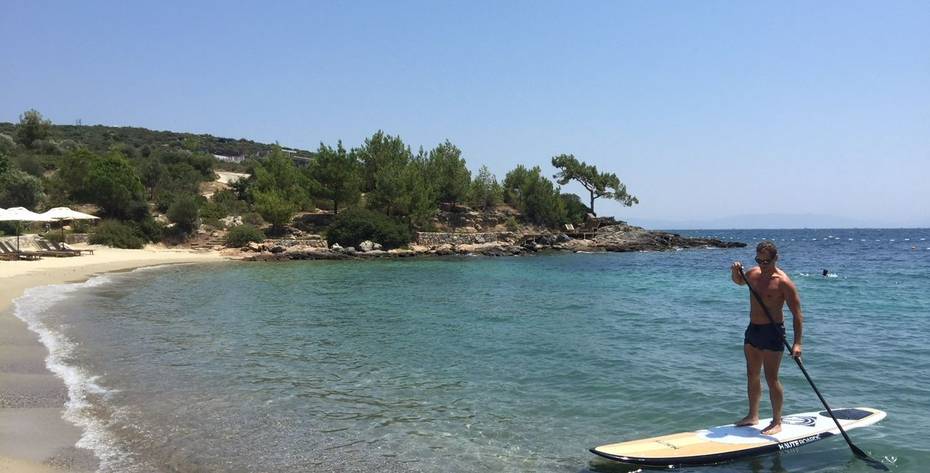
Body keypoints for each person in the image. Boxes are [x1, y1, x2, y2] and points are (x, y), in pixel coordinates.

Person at [730, 241, 803, 435]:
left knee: (772, 378)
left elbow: (797, 315)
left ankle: (777, 421)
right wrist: (735, 272)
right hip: (753, 329)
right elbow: (739, 282)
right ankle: (752, 415)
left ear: (775, 259)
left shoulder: (783, 282)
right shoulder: (753, 274)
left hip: (773, 332)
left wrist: (797, 344)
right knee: (752, 374)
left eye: (766, 261)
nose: (762, 264)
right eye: (759, 260)